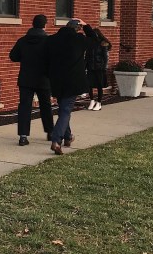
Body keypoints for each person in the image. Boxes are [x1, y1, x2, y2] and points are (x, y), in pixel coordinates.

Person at [45, 18, 96, 155]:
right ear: (77, 28)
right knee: (65, 110)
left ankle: (68, 137)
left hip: (56, 80)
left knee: (63, 109)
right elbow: (94, 39)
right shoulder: (79, 39)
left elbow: (45, 58)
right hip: (73, 81)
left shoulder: (51, 40)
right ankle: (56, 140)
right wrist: (86, 25)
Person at [9, 14, 54, 146]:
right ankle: (50, 132)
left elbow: (13, 56)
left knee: (24, 107)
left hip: (26, 79)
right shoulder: (48, 41)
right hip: (43, 79)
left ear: (32, 24)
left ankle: (23, 136)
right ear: (44, 25)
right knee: (46, 106)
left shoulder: (22, 40)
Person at [85, 28, 112, 111]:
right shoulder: (90, 44)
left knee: (99, 85)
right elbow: (87, 56)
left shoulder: (103, 44)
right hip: (91, 67)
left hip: (99, 68)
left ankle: (99, 102)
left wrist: (104, 68)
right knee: (89, 85)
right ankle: (92, 100)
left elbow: (106, 57)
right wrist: (85, 66)